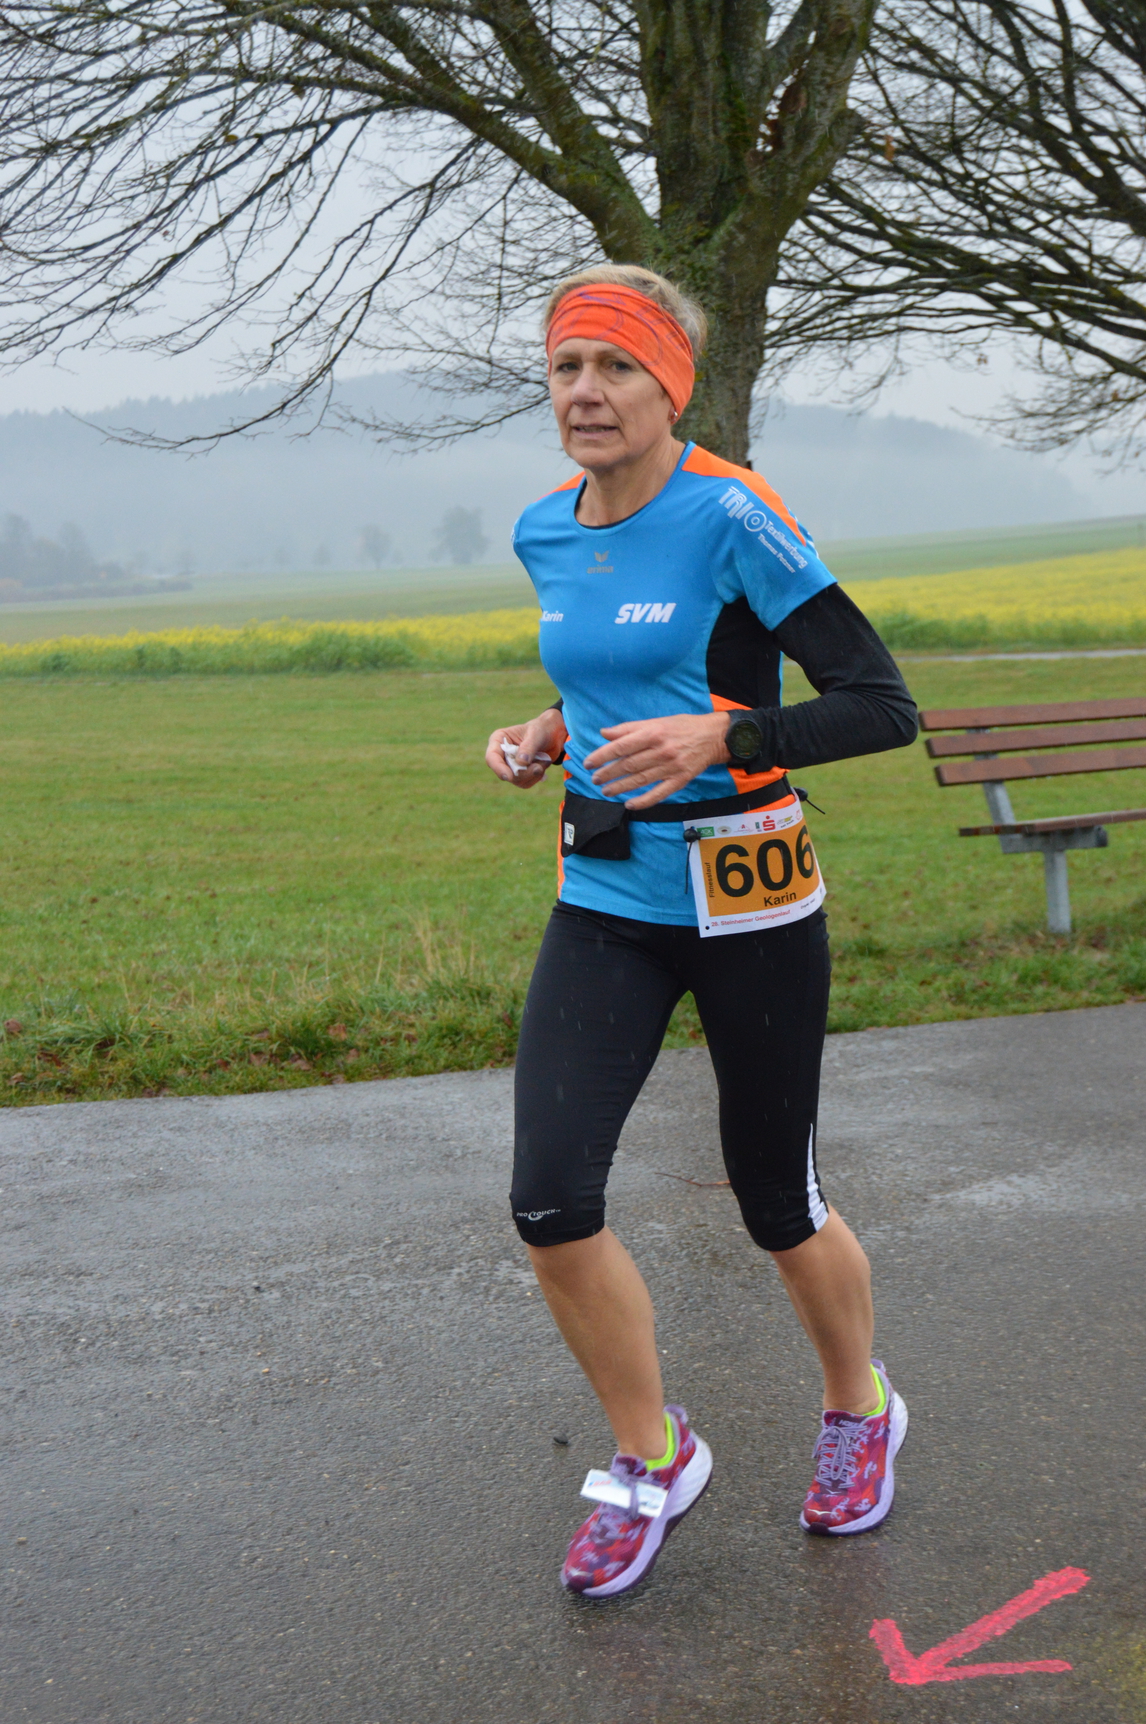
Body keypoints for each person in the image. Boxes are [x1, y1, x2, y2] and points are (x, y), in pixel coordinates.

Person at [485, 264, 918, 1600]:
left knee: (775, 1200)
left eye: (616, 366)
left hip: (750, 899)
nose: (586, 391)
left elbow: (878, 703)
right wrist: (548, 731)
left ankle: (858, 1406)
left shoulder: (732, 512)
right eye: (566, 366)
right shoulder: (544, 529)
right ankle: (651, 1455)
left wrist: (725, 738)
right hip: (607, 900)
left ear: (669, 386)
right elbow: (618, 674)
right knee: (550, 1203)